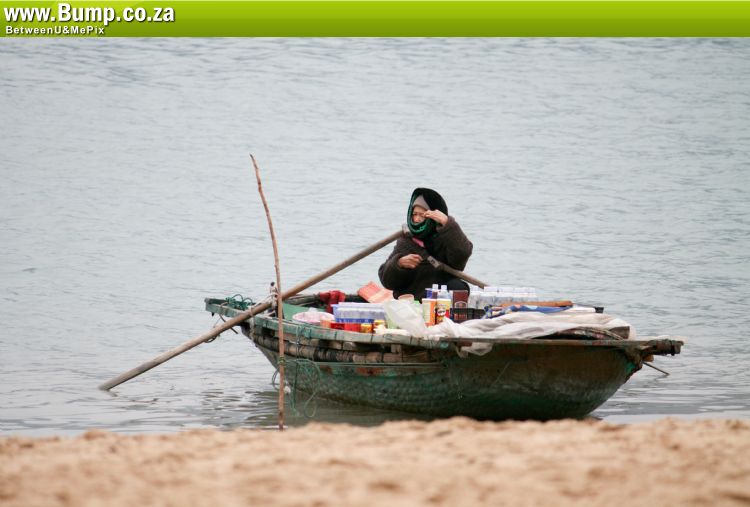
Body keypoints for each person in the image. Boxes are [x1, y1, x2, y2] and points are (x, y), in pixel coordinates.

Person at [378, 188, 473, 300]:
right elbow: (386, 281)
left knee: (457, 287)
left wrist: (447, 223)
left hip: (442, 302)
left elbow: (462, 255)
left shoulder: (446, 237)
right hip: (413, 301)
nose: (417, 219)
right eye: (414, 214)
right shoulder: (406, 240)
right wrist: (399, 264)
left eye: (422, 215)